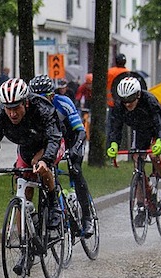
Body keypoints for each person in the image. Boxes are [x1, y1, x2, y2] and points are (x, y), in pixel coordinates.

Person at [0, 78, 65, 275]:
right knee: (23, 187)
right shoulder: (0, 114)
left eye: (16, 107)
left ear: (26, 102)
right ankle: (26, 248)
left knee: (38, 165)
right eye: (8, 108)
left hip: (51, 144)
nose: (12, 113)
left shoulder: (42, 108)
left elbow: (54, 137)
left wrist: (46, 160)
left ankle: (54, 206)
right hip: (26, 147)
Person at [29, 74, 94, 237]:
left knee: (76, 170)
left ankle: (87, 217)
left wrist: (74, 150)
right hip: (50, 141)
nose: (38, 102)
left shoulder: (63, 103)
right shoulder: (31, 108)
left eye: (42, 98)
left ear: (52, 96)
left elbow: (80, 130)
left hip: (71, 138)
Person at [106, 77, 161, 227]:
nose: (128, 104)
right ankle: (141, 207)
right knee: (137, 162)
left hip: (157, 126)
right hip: (141, 130)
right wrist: (113, 145)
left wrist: (160, 142)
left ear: (138, 95)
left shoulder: (149, 101)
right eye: (125, 100)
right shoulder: (120, 106)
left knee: (153, 155)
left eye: (131, 99)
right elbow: (115, 129)